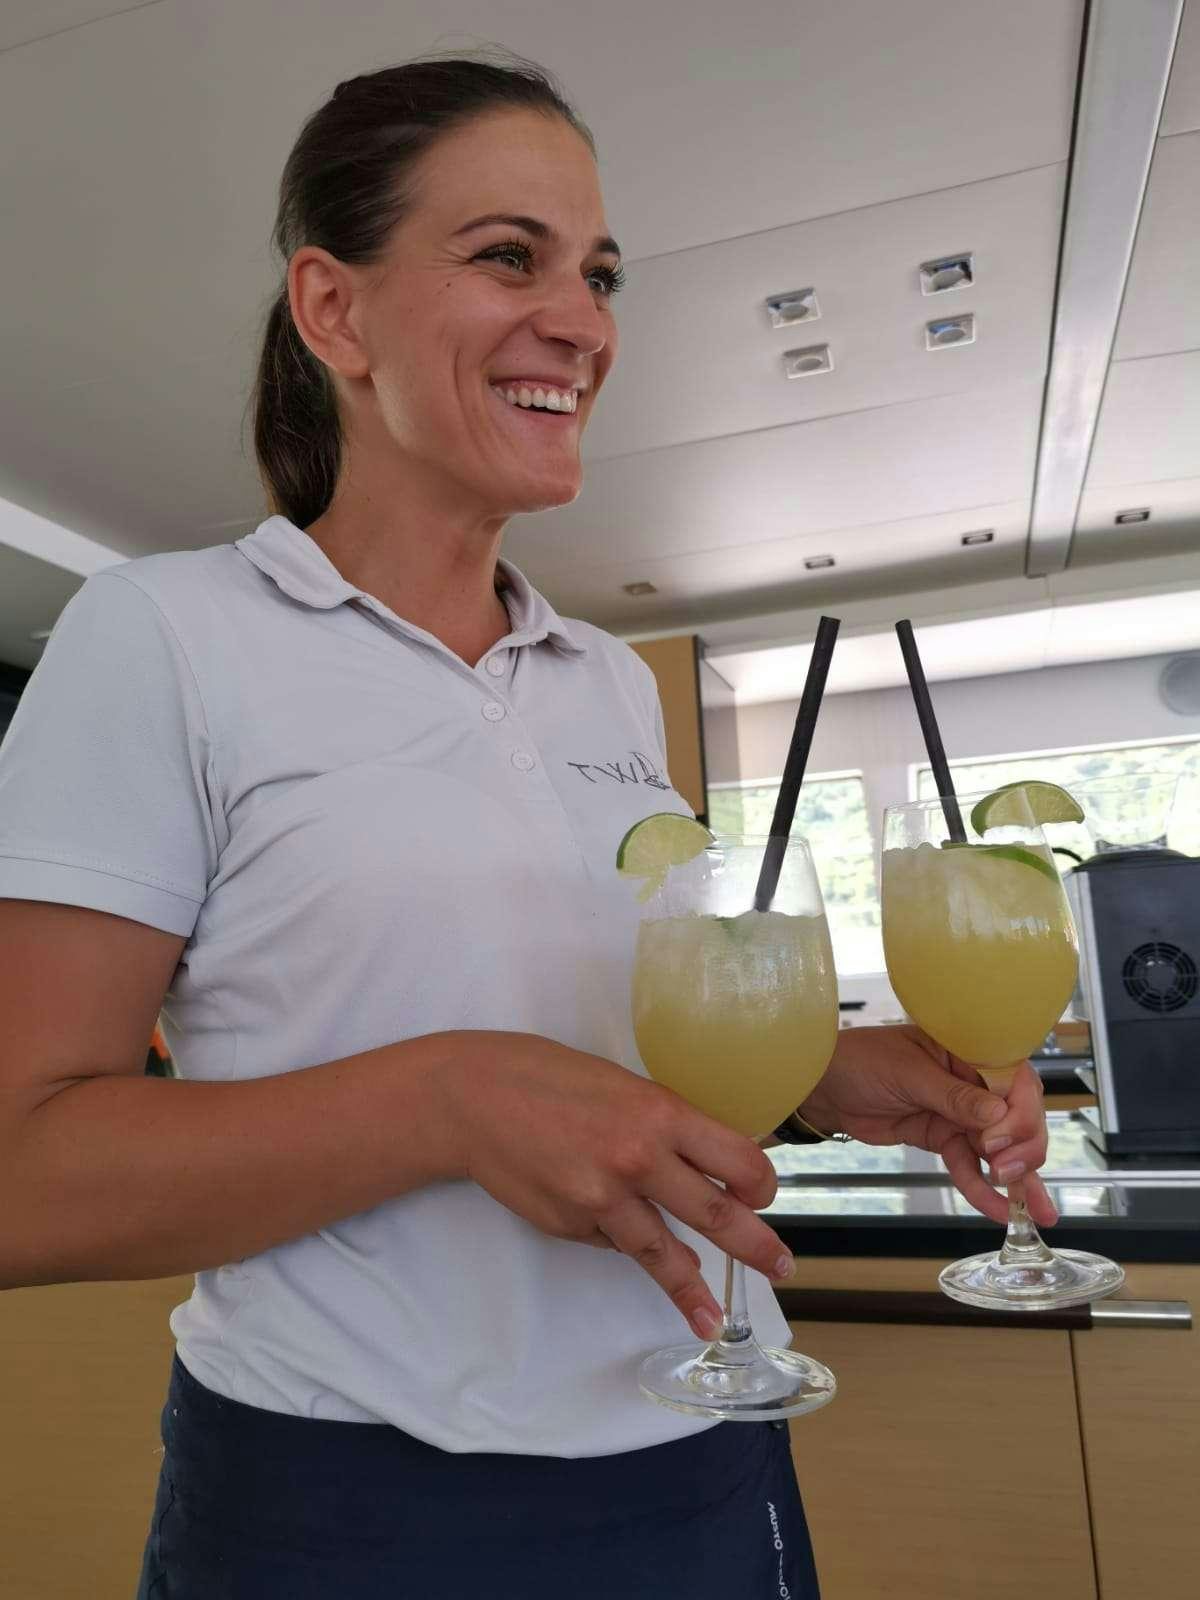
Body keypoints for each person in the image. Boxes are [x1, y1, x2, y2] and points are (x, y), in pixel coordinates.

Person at [0, 54, 1055, 1599]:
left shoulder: (612, 686)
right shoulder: (162, 633)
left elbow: (600, 1022)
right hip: (354, 1503)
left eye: (599, 271)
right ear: (332, 310)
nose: (585, 320)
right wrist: (446, 1102)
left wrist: (835, 1071)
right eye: (510, 255)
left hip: (707, 1451)